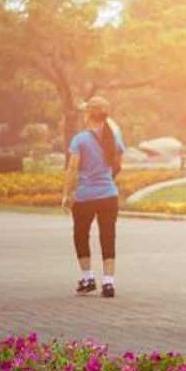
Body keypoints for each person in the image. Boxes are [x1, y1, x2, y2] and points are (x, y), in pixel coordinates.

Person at [61, 96, 126, 299]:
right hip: (109, 196)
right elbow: (118, 165)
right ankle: (108, 283)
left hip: (85, 197)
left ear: (88, 115)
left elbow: (72, 169)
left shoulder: (80, 139)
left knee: (81, 235)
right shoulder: (113, 138)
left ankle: (87, 278)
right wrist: (106, 180)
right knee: (108, 237)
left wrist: (66, 193)